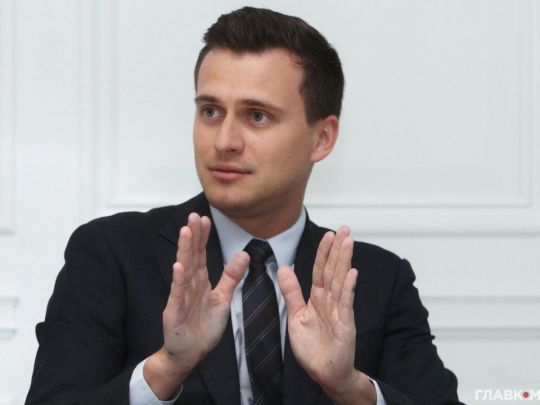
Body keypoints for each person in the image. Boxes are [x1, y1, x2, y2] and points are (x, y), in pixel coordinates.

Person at [26, 7, 462, 405]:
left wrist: (350, 388)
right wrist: (165, 369)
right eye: (210, 111)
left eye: (257, 116)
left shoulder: (378, 280)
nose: (224, 141)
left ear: (322, 138)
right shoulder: (111, 254)